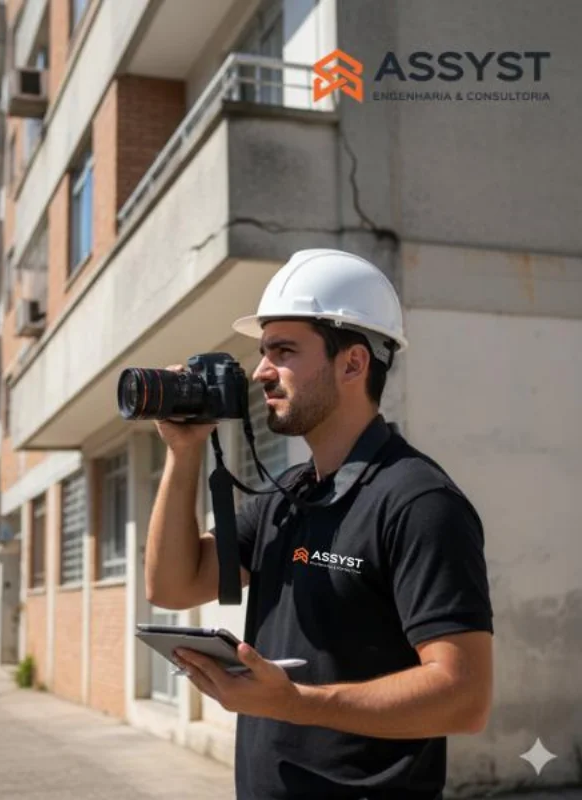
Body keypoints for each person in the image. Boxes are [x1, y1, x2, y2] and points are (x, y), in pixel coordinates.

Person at [144, 249, 494, 800]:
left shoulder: (419, 501)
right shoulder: (288, 496)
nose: (261, 371)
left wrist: (294, 703)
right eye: (263, 352)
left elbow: (464, 697)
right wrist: (183, 452)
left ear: (352, 364)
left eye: (283, 351)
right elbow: (173, 587)